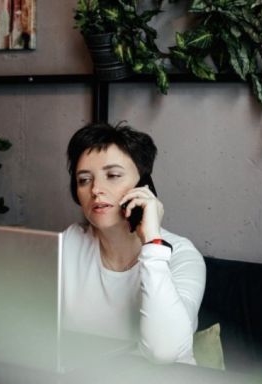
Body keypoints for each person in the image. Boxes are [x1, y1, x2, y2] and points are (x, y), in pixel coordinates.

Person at [61, 122, 205, 364]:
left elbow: (164, 352)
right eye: (84, 180)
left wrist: (152, 241)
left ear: (143, 186)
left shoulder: (183, 255)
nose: (96, 189)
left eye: (113, 176)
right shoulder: (69, 244)